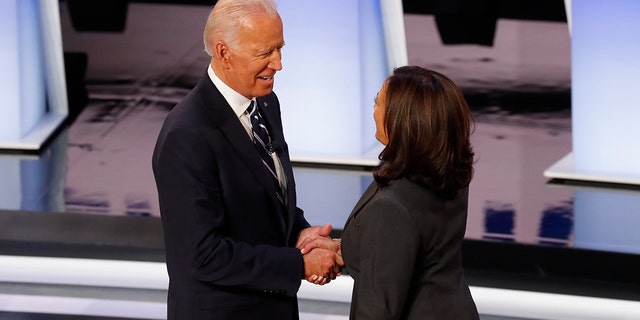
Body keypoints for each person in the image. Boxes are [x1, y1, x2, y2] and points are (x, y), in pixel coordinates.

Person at [151, 0, 343, 319]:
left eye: (279, 48)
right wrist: (299, 264)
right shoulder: (187, 134)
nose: (278, 63)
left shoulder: (266, 104)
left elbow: (265, 198)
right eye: (265, 53)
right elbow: (202, 255)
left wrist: (300, 234)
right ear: (224, 52)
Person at [341, 66, 479, 319]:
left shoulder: (390, 207)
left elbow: (377, 311)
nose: (373, 110)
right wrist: (346, 248)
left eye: (378, 102)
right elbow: (413, 248)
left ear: (402, 119)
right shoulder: (448, 174)